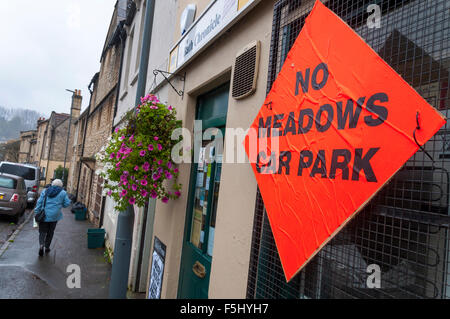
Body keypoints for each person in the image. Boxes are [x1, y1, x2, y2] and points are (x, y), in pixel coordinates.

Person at [34, 179, 71, 256]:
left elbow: (39, 202)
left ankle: (41, 245)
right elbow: (67, 203)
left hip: (44, 215)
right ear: (61, 185)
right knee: (50, 232)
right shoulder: (63, 193)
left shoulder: (45, 191)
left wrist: (37, 211)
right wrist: (61, 204)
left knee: (42, 232)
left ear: (52, 184)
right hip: (55, 216)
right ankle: (47, 247)